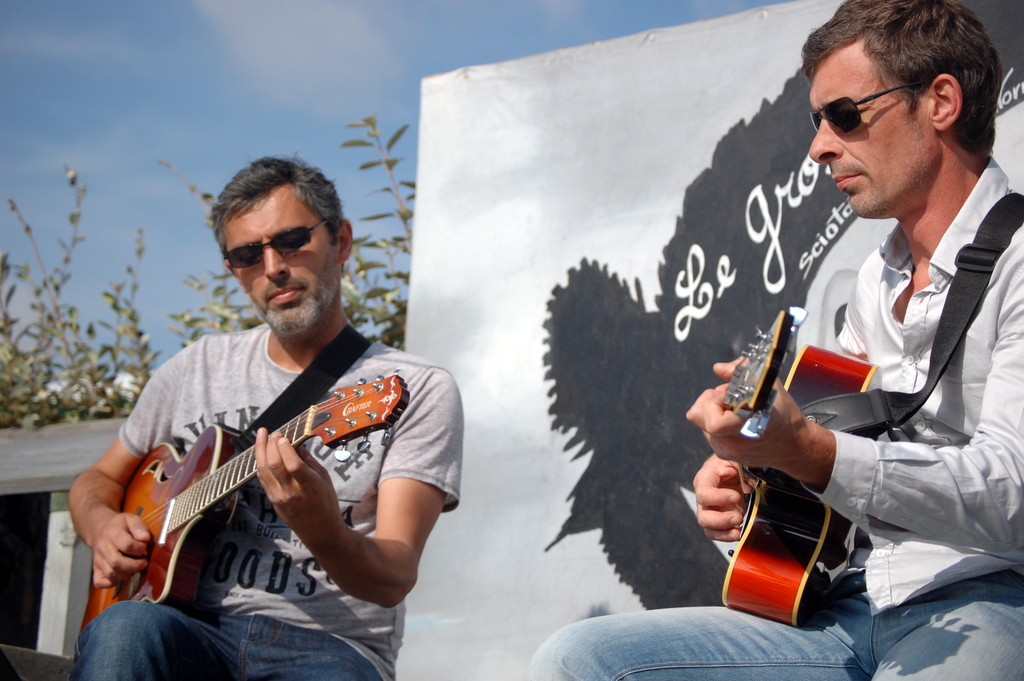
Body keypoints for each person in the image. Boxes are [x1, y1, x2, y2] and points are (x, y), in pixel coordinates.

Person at [525, 0, 1024, 678]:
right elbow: (825, 465)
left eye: (844, 115)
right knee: (581, 657)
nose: (819, 146)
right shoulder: (872, 283)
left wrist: (812, 451)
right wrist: (751, 477)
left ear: (939, 101)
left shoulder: (1019, 258)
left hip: (990, 599)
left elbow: (1012, 492)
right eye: (816, 121)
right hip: (840, 606)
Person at [68, 156, 463, 681]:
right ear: (234, 271)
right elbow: (97, 480)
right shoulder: (196, 367)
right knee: (122, 630)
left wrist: (324, 529)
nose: (273, 266)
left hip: (328, 649)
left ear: (341, 242)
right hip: (183, 628)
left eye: (292, 239)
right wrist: (102, 526)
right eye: (248, 254)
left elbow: (392, 577)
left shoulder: (416, 387)